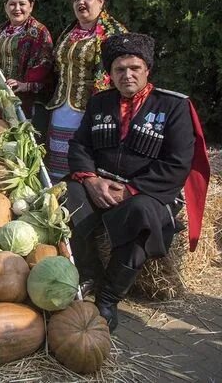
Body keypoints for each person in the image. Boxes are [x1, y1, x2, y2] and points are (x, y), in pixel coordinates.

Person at [66, 33, 210, 331]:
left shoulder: (174, 107)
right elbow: (80, 146)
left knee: (142, 214)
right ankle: (88, 272)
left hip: (148, 192)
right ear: (111, 74)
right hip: (102, 186)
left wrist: (131, 189)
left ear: (147, 70)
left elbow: (177, 162)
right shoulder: (100, 103)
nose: (127, 75)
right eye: (119, 69)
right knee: (67, 196)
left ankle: (107, 298)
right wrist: (92, 180)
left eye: (134, 68)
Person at [45, 0, 127, 180]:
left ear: (101, 1)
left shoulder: (114, 33)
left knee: (83, 158)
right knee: (57, 161)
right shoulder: (69, 32)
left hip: (92, 108)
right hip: (61, 106)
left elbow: (118, 74)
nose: (81, 3)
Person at [0, 0, 54, 136]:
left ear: (31, 6)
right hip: (0, 96)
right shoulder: (1, 29)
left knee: (23, 138)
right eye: (12, 4)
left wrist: (25, 85)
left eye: (22, 4)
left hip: (25, 100)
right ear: (5, 7)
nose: (17, 8)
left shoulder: (39, 32)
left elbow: (46, 65)